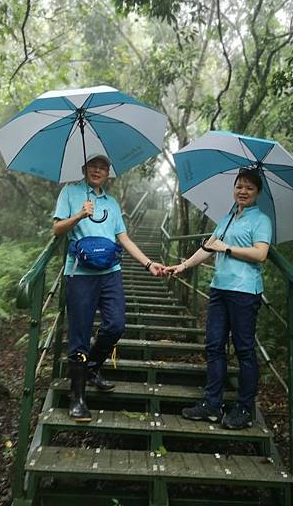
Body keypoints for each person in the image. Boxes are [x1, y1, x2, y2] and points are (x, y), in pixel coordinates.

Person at [53, 153, 165, 423]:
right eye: (93, 166)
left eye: (103, 167)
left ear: (108, 173)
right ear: (84, 169)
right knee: (79, 333)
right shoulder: (70, 192)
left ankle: (92, 367)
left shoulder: (112, 203)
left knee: (116, 324)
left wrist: (148, 263)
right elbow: (57, 229)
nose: (98, 170)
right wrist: (80, 214)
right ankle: (77, 397)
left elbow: (123, 237)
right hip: (79, 273)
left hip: (110, 273)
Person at [164, 167, 272, 430]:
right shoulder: (227, 217)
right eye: (239, 186)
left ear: (257, 192)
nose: (242, 191)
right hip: (219, 289)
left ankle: (244, 409)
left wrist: (229, 248)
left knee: (244, 350)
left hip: (245, 292)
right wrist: (183, 266)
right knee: (214, 346)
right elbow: (208, 247)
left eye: (249, 187)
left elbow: (260, 254)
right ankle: (212, 404)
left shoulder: (261, 220)